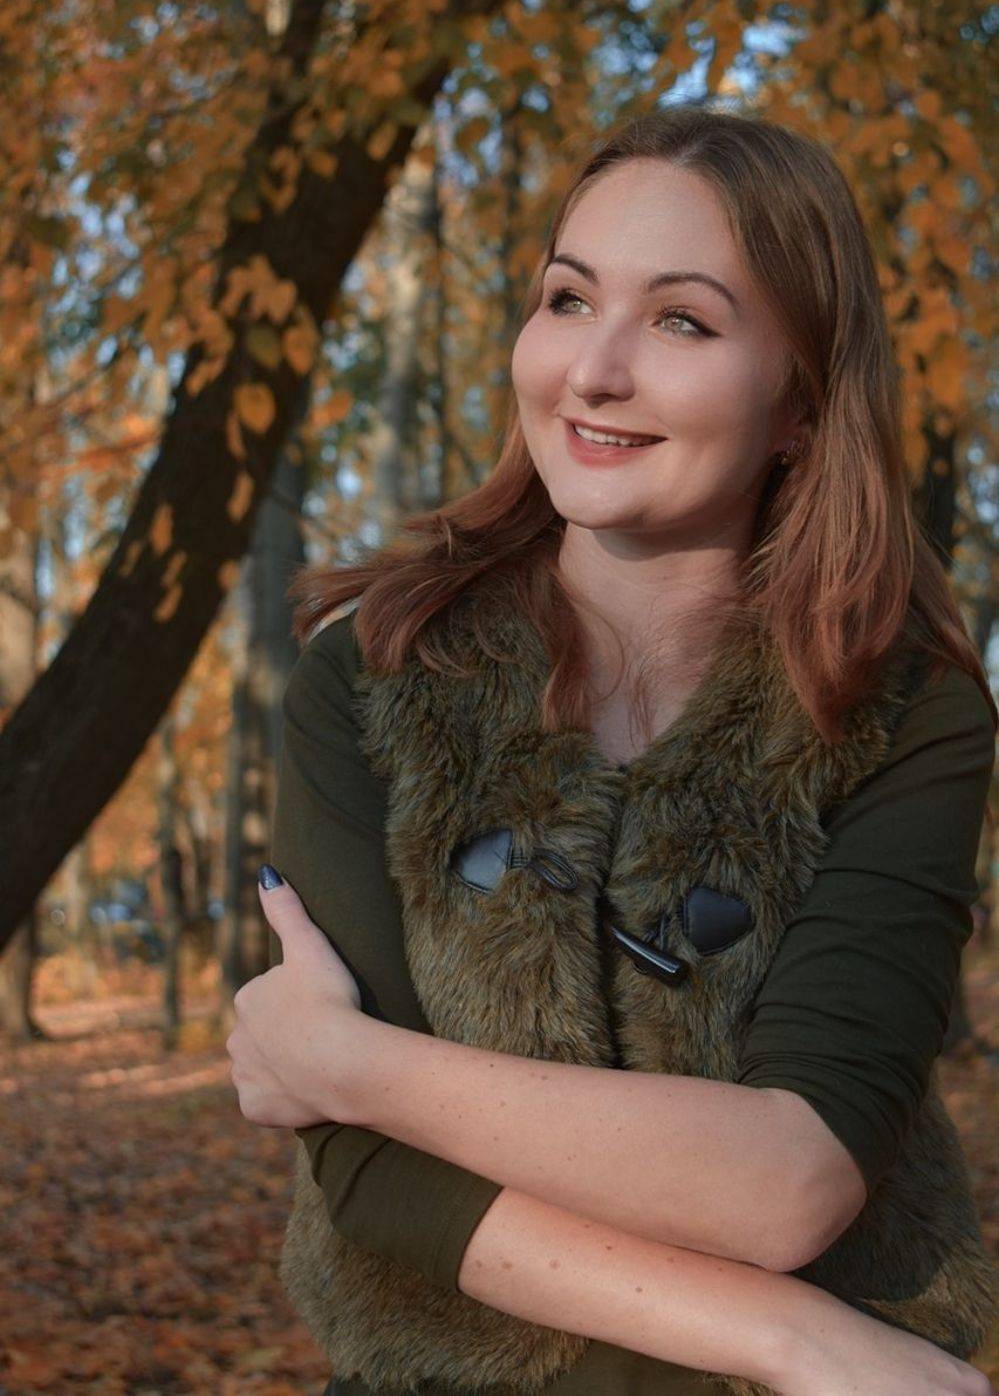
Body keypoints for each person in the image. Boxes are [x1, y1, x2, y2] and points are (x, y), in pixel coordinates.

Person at [227, 105, 997, 1395]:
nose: (593, 370)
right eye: (569, 299)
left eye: (682, 321)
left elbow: (792, 1178)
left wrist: (349, 1064)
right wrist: (796, 1336)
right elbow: (368, 1169)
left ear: (803, 403)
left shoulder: (905, 708)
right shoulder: (369, 676)